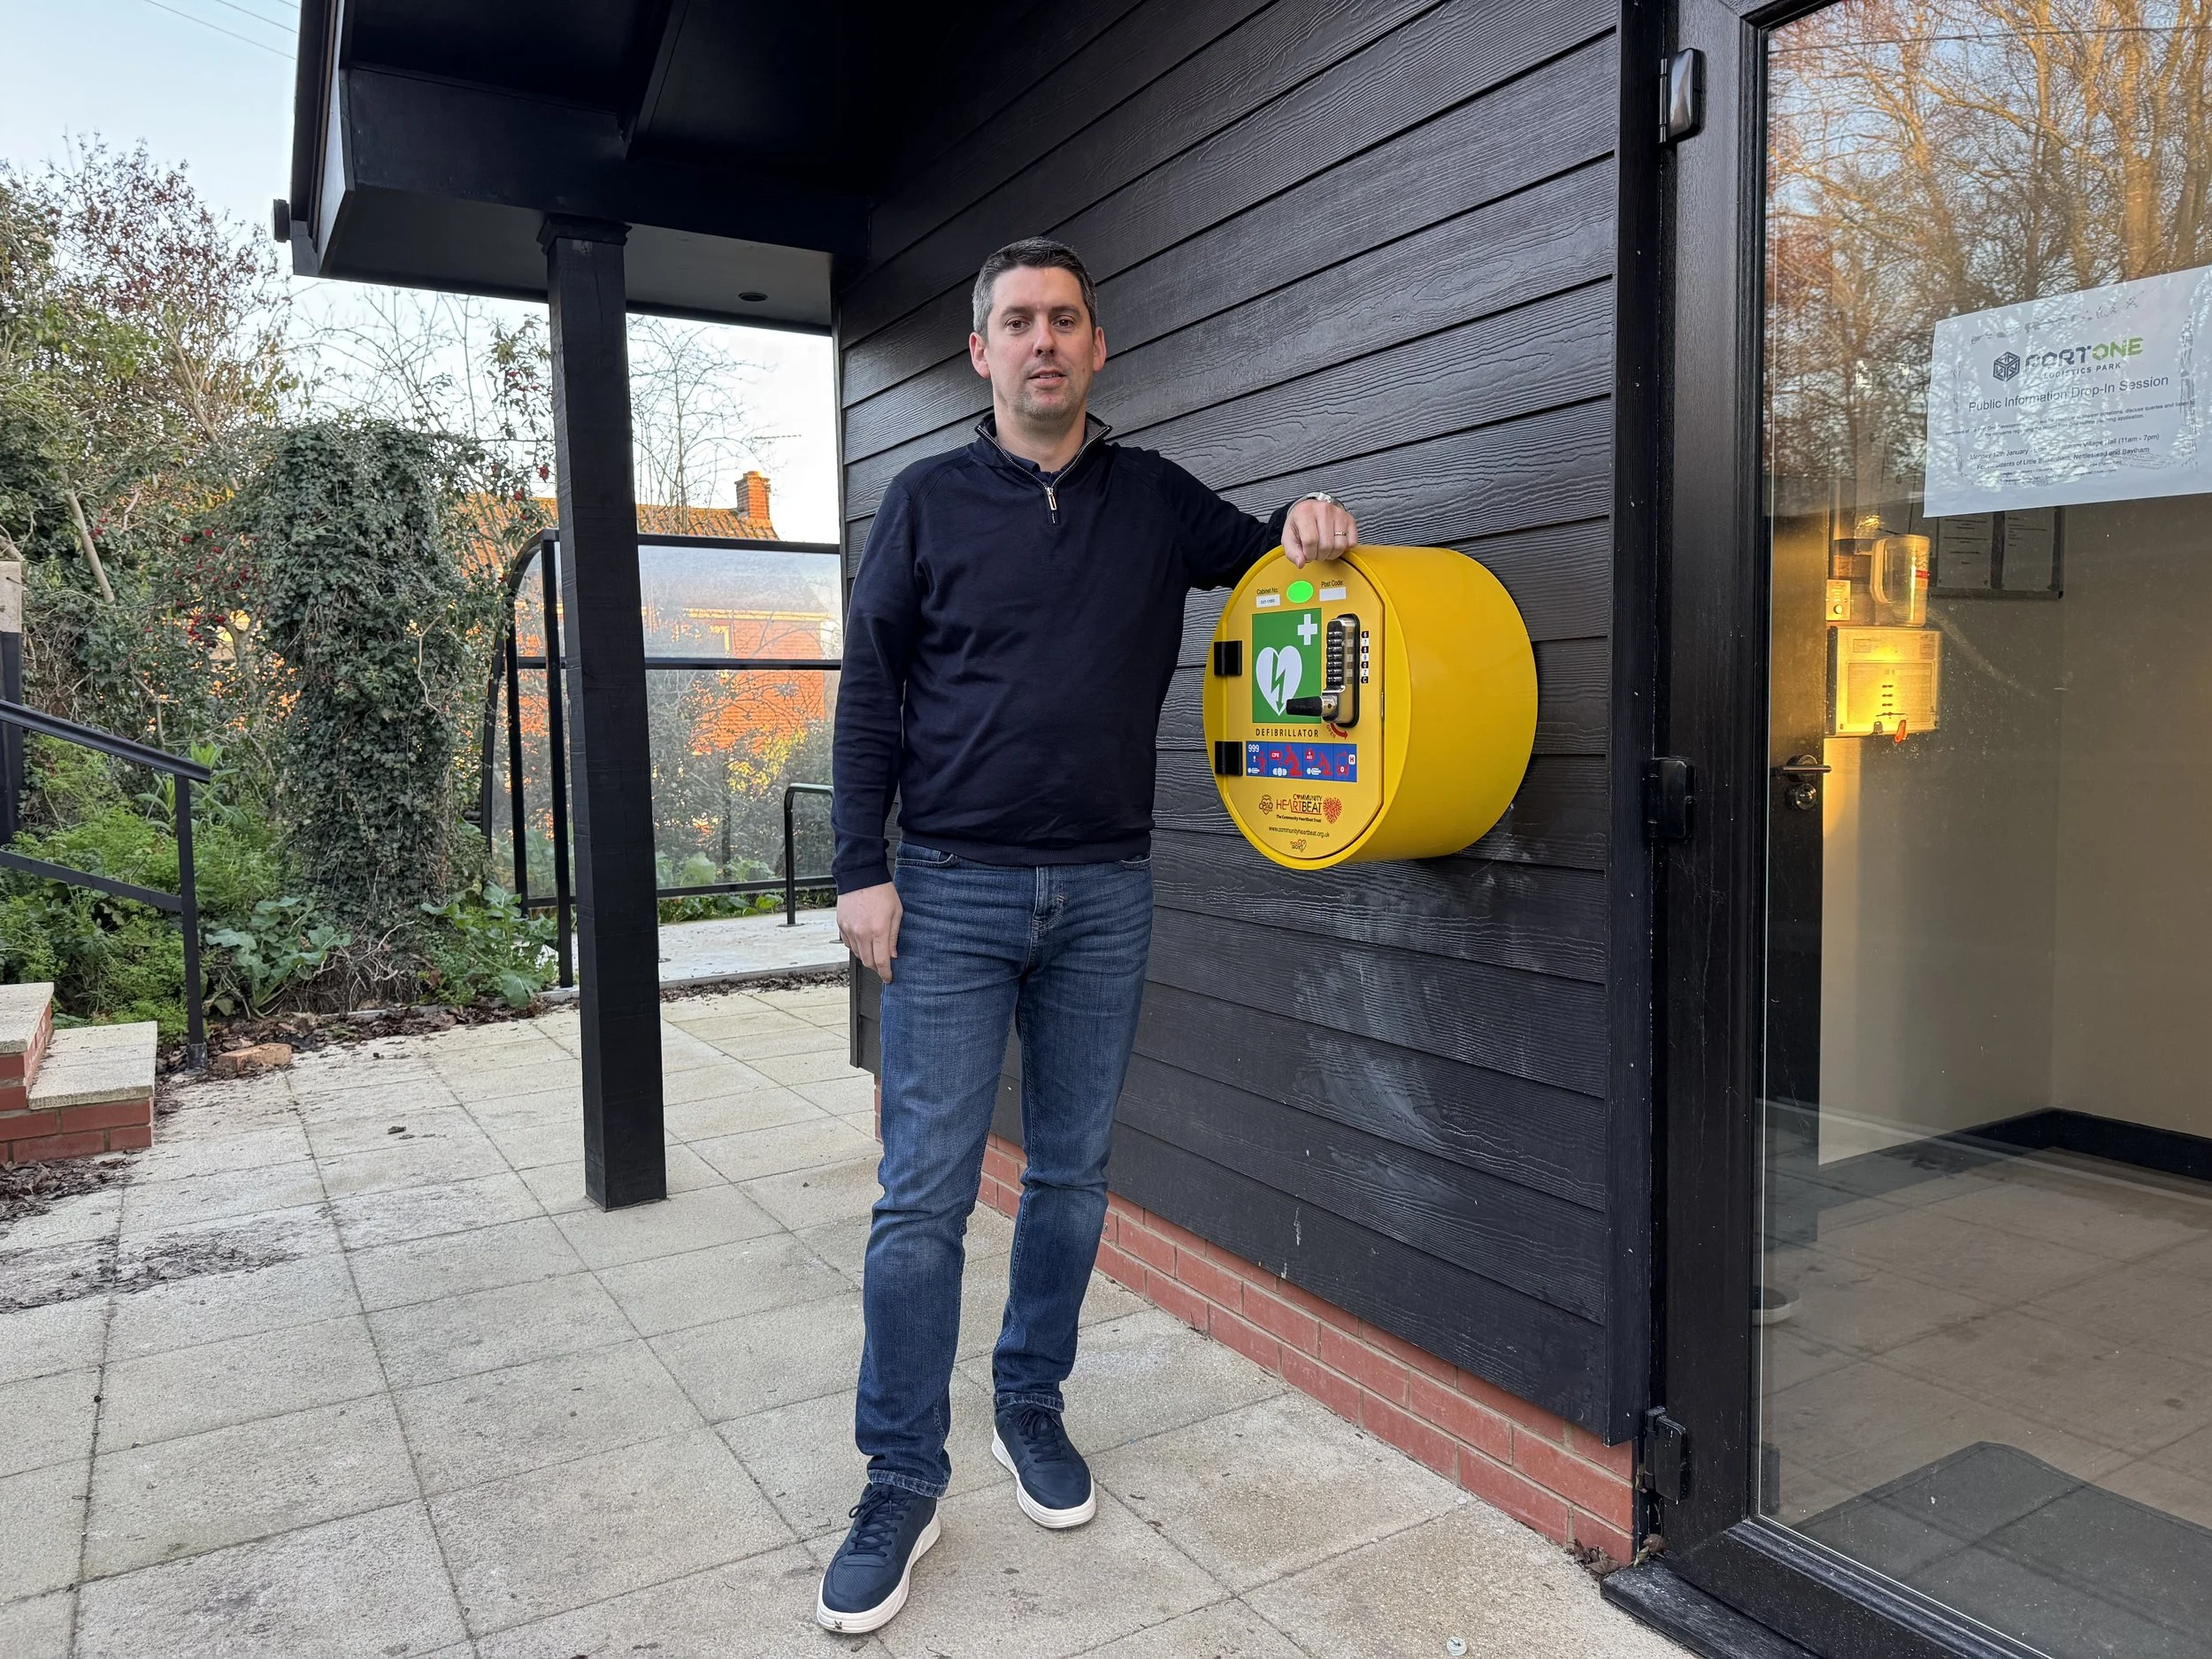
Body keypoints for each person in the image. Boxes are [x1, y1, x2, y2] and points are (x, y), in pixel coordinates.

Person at [817, 237, 1358, 1633]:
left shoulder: (1154, 499)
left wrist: (1308, 528)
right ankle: (898, 1478)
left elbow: (1268, 573)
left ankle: (1029, 1403)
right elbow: (869, 690)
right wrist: (857, 872)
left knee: (1069, 1175)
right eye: (1017, 322)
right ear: (982, 354)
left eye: (1065, 318)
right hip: (945, 889)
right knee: (921, 1197)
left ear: (1097, 348)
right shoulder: (928, 502)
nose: (1043, 340)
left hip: (1107, 890)